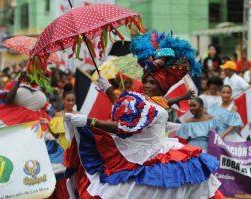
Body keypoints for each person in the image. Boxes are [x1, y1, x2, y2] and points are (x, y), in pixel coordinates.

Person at [64, 32, 222, 199]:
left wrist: (90, 121)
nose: (146, 85)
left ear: (161, 87)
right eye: (145, 80)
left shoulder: (155, 107)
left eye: (152, 82)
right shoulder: (149, 102)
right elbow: (123, 108)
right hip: (136, 151)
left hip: (145, 156)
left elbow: (123, 127)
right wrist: (107, 88)